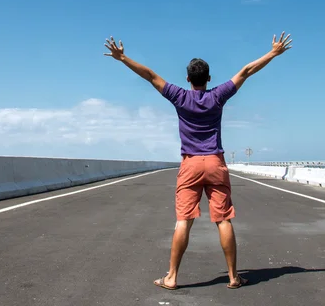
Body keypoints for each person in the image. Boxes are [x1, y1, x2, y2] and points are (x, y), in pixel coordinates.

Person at [103, 32, 292, 290]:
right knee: (223, 219)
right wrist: (273, 53)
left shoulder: (180, 97)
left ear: (188, 79)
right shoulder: (217, 96)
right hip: (215, 162)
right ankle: (233, 277)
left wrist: (122, 57)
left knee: (183, 221)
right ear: (209, 79)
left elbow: (150, 75)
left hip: (191, 164)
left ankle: (171, 277)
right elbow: (246, 71)